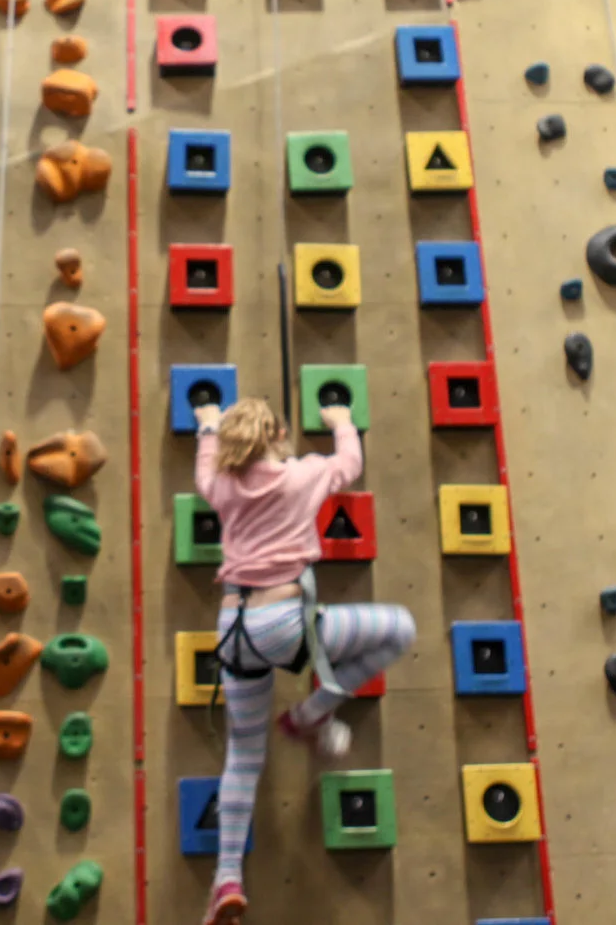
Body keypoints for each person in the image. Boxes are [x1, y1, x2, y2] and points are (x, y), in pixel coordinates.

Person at [193, 396, 417, 925]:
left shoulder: (223, 485)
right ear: (278, 433)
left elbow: (205, 475)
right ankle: (310, 714)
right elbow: (349, 466)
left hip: (235, 632)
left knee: (243, 758)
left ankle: (227, 876)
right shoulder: (300, 475)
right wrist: (341, 423)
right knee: (398, 630)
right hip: (287, 623)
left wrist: (206, 426)